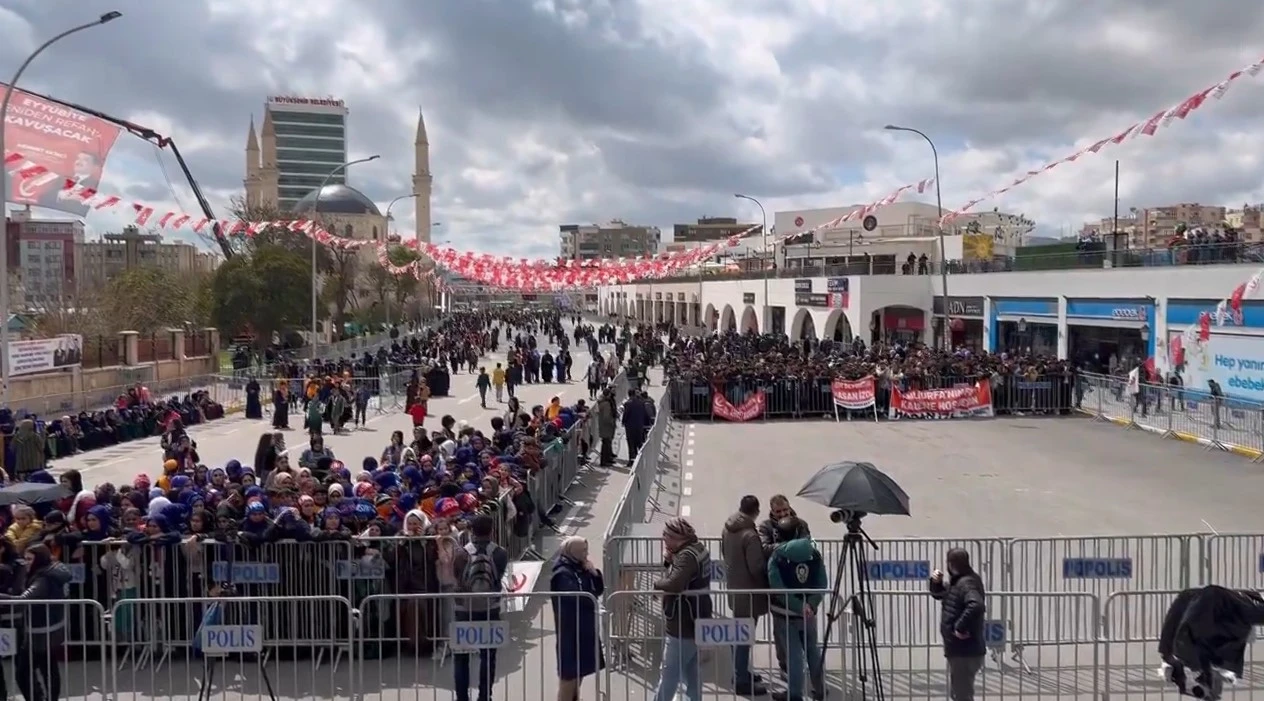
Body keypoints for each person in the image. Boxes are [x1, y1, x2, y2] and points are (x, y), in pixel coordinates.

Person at [447, 514, 510, 701]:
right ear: (492, 530)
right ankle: (485, 696)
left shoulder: (461, 554)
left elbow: (456, 577)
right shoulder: (500, 553)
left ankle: (461, 697)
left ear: (471, 531)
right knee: (488, 657)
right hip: (490, 608)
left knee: (461, 658)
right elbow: (499, 577)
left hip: (464, 610)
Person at [0, 544, 72, 701]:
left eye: (29, 559)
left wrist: (3, 598)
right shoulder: (50, 571)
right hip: (46, 629)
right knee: (47, 669)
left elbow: (24, 599)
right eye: (25, 558)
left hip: (41, 632)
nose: (26, 562)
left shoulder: (43, 578)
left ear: (39, 559)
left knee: (25, 673)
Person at [766, 516, 827, 701]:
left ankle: (794, 694)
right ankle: (820, 688)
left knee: (794, 657)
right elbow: (821, 583)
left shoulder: (777, 557)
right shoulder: (814, 553)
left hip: (785, 614)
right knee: (813, 652)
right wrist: (810, 605)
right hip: (809, 615)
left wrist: (799, 606)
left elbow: (777, 587)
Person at [651, 517, 711, 701]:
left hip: (683, 622)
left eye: (666, 535)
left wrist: (656, 585)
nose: (663, 539)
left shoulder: (686, 556)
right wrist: (670, 561)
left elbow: (675, 583)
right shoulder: (697, 549)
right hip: (697, 617)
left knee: (669, 673)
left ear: (676, 537)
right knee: (692, 672)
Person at [721, 495, 770, 696]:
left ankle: (740, 672)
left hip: (734, 588)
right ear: (756, 512)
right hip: (750, 592)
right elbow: (756, 567)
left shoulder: (727, 528)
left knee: (739, 633)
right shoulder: (750, 535)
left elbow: (725, 553)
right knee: (744, 636)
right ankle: (741, 678)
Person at [550, 536, 605, 701]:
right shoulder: (562, 573)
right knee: (569, 676)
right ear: (572, 551)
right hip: (570, 631)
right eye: (583, 551)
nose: (586, 554)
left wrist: (594, 573)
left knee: (580, 672)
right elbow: (577, 596)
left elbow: (597, 590)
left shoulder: (581, 567)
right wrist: (590, 598)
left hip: (584, 628)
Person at [929, 548, 987, 701]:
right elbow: (944, 595)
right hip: (960, 650)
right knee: (960, 693)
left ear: (951, 564)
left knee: (961, 694)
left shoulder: (967, 583)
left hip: (965, 651)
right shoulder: (959, 581)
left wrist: (959, 627)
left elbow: (976, 605)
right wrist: (936, 584)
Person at [595, 389, 617, 467]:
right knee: (606, 444)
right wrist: (612, 422)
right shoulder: (606, 404)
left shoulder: (602, 403)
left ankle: (607, 459)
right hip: (606, 427)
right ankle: (604, 461)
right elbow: (606, 417)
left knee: (606, 443)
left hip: (603, 426)